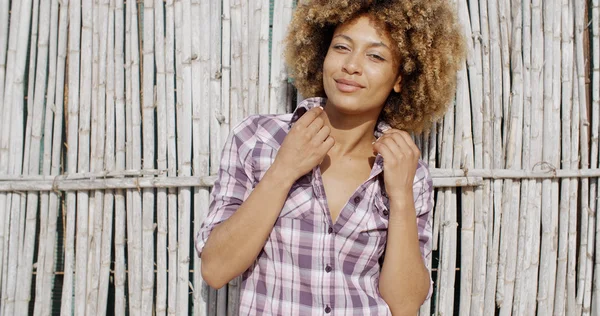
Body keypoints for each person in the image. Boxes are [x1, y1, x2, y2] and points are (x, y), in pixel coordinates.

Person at [196, 0, 465, 314]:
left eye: (375, 55)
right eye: (341, 47)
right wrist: (284, 170)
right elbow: (215, 270)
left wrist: (401, 196)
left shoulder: (408, 172)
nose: (351, 65)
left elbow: (404, 306)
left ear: (400, 78)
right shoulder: (257, 138)